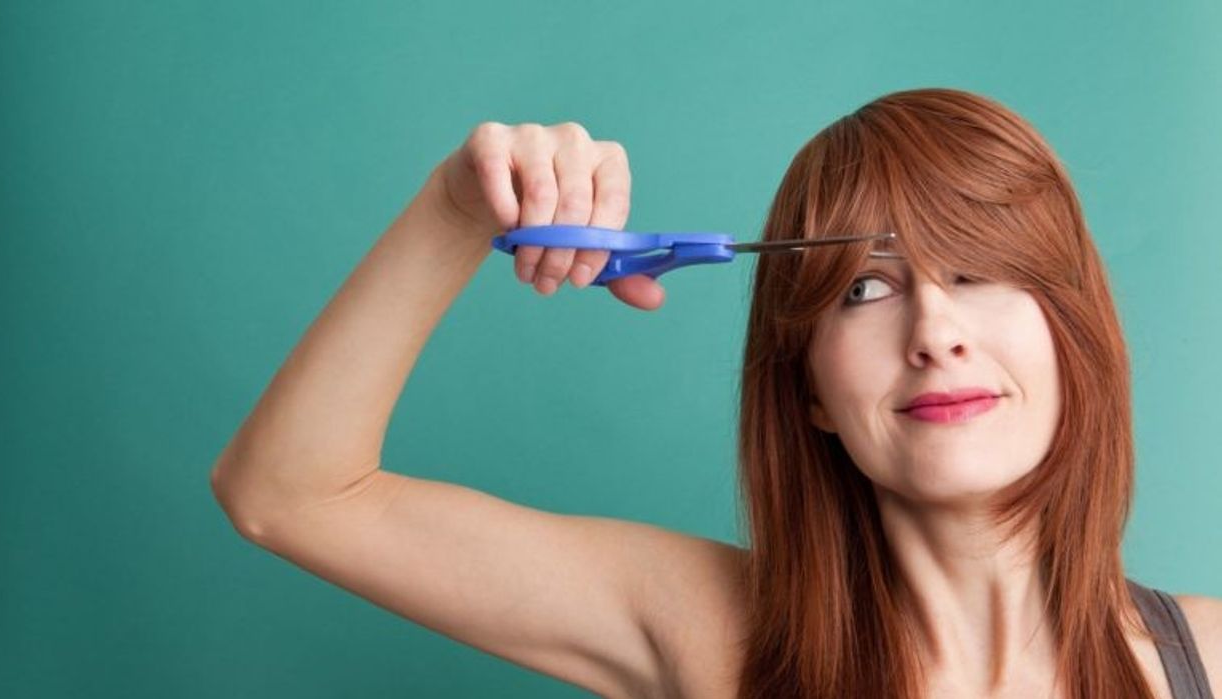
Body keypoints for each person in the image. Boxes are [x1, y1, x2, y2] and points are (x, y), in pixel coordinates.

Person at [209, 88, 1221, 698]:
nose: (935, 334)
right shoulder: (709, 633)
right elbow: (288, 492)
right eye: (866, 287)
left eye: (979, 271)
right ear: (810, 388)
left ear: (1072, 338)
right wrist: (456, 209)